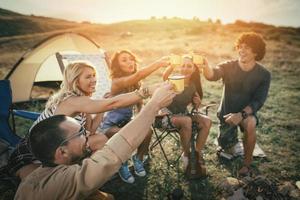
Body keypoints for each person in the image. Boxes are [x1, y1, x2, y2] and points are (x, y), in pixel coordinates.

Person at [14, 83, 176, 200]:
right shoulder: (61, 182)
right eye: (80, 133)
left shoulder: (45, 172)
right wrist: (154, 104)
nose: (86, 136)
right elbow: (111, 154)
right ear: (62, 152)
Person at [8, 62, 161, 181]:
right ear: (75, 81)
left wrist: (100, 108)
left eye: (94, 75)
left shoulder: (83, 101)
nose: (94, 79)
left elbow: (91, 131)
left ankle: (89, 175)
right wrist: (145, 92)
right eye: (88, 77)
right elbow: (113, 103)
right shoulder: (72, 100)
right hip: (30, 153)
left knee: (99, 139)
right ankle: (82, 176)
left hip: (58, 151)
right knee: (37, 185)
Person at [202, 32, 271, 176]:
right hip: (226, 116)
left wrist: (241, 115)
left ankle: (247, 164)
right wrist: (205, 66)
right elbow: (212, 75)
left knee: (250, 123)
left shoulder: (264, 74)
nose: (241, 50)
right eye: (240, 46)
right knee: (226, 146)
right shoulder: (228, 66)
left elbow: (258, 101)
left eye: (247, 47)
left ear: (256, 52)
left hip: (246, 114)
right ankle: (229, 141)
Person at [100, 50, 169, 183]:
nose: (130, 62)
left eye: (131, 59)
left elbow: (139, 106)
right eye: (124, 60)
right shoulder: (117, 82)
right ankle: (122, 163)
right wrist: (158, 64)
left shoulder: (135, 84)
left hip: (127, 122)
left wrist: (149, 115)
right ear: (117, 65)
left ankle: (138, 158)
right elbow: (138, 75)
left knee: (147, 131)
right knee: (121, 135)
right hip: (111, 126)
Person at [161, 54, 212, 176]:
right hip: (166, 117)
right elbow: (164, 77)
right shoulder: (173, 80)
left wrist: (197, 104)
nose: (185, 68)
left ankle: (197, 155)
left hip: (184, 116)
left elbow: (193, 108)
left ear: (194, 69)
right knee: (187, 121)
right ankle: (186, 156)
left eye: (189, 66)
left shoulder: (193, 85)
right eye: (183, 65)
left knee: (207, 121)